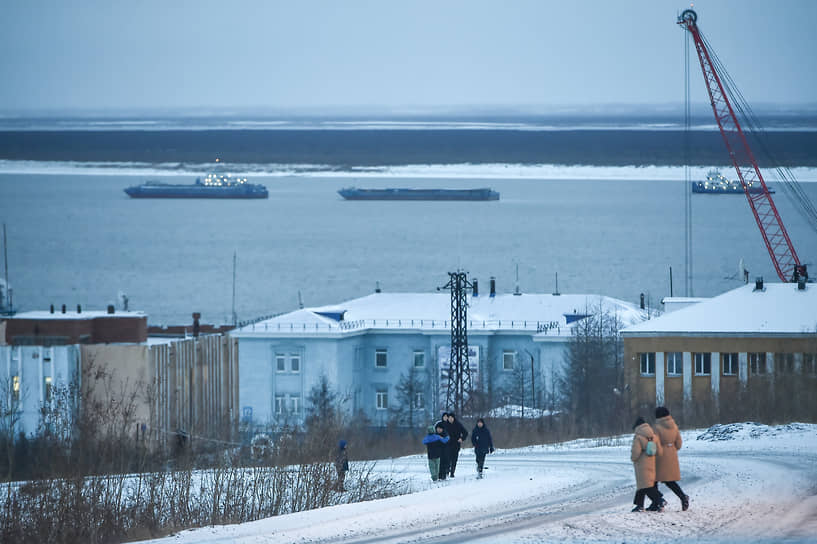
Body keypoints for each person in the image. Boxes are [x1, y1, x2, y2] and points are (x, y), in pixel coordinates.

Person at [653, 406, 689, 511]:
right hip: (671, 455)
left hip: (659, 456)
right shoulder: (674, 426)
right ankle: (683, 497)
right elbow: (679, 444)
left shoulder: (657, 428)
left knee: (652, 479)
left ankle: (657, 502)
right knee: (669, 480)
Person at [630, 416, 665, 512]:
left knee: (645, 485)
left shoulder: (638, 437)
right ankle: (641, 505)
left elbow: (635, 453)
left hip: (642, 465)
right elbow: (660, 452)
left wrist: (633, 458)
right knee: (644, 485)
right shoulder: (654, 436)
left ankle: (660, 500)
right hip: (653, 463)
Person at [447, 412, 468, 478]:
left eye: (451, 418)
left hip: (456, 444)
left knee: (454, 459)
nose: (450, 419)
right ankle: (447, 472)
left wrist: (462, 438)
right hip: (447, 444)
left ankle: (452, 472)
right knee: (447, 459)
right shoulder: (446, 425)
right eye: (449, 418)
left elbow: (465, 432)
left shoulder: (458, 424)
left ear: (453, 418)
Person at [436, 412, 451, 480]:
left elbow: (446, 440)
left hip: (445, 450)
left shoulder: (446, 433)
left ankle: (444, 475)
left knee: (445, 462)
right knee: (438, 464)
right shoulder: (439, 424)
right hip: (437, 451)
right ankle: (439, 476)